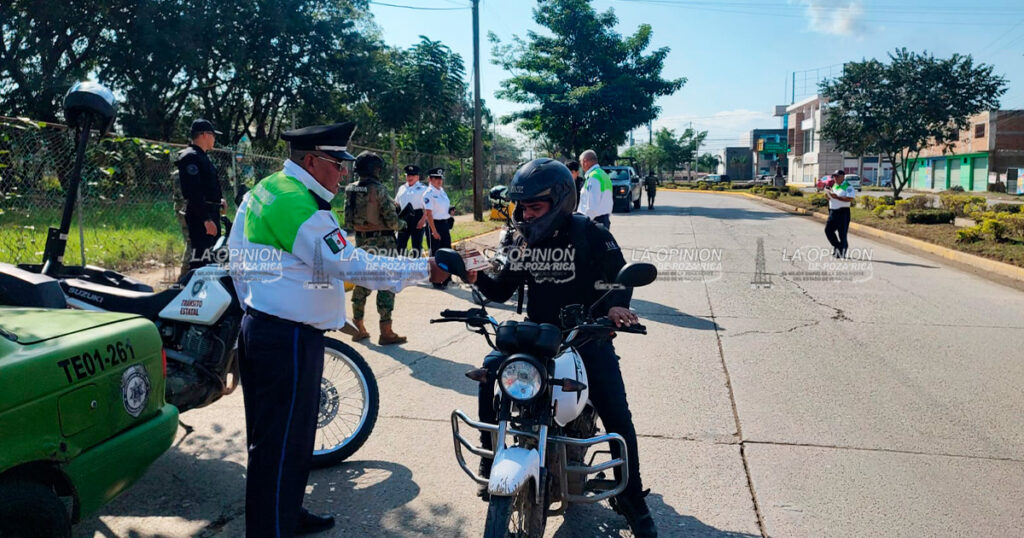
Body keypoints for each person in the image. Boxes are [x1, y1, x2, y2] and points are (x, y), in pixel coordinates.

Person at [227, 122, 448, 537]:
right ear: (311, 161)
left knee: (284, 441)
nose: (343, 173)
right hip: (287, 339)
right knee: (280, 445)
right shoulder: (298, 206)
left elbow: (237, 259)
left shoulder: (268, 188)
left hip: (266, 330)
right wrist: (424, 267)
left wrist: (254, 308)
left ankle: (287, 513)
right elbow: (352, 264)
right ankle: (272, 528)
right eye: (336, 163)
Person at [460, 158, 657, 538]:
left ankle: (632, 498)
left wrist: (617, 306)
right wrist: (476, 274)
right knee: (491, 372)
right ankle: (490, 460)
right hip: (538, 337)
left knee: (617, 415)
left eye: (535, 207)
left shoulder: (591, 233)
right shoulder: (522, 240)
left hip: (584, 336)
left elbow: (620, 278)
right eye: (522, 207)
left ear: (560, 201)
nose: (526, 214)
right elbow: (502, 289)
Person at [344, 151, 407, 345]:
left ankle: (359, 327)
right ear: (375, 170)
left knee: (362, 283)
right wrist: (405, 223)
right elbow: (392, 222)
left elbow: (347, 220)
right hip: (383, 244)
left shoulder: (350, 189)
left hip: (362, 241)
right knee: (386, 284)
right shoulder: (379, 189)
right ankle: (386, 332)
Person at [175, 118, 225, 270]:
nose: (214, 138)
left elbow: (205, 186)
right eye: (213, 135)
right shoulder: (190, 157)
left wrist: (219, 200)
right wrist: (206, 219)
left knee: (210, 257)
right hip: (201, 216)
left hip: (210, 212)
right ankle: (190, 289)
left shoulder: (201, 156)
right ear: (204, 134)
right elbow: (193, 192)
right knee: (201, 260)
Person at [423, 167, 454, 288]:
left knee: (448, 251)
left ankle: (447, 278)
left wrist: (450, 211)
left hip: (444, 224)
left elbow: (443, 207)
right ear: (430, 179)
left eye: (440, 178)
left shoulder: (442, 191)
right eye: (436, 178)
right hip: (433, 225)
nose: (439, 181)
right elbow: (429, 214)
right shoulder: (428, 193)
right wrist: (434, 231)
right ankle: (436, 280)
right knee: (436, 253)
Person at [395, 164, 428, 256]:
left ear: (417, 177)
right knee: (400, 244)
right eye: (408, 175)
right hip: (403, 217)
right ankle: (399, 266)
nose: (410, 177)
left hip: (417, 217)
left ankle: (417, 268)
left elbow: (428, 207)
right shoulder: (402, 188)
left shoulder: (423, 189)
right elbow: (396, 203)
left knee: (416, 245)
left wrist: (423, 220)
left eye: (412, 175)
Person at [576, 149, 613, 229]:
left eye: (581, 162)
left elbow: (592, 206)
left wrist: (582, 223)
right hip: (604, 220)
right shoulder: (603, 175)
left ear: (585, 162)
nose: (581, 165)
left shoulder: (593, 177)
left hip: (593, 222)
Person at [824, 169, 855, 258]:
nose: (835, 178)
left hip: (843, 212)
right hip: (833, 212)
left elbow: (850, 198)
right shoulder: (835, 186)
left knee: (842, 234)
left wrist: (837, 197)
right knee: (828, 230)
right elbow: (833, 197)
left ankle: (842, 252)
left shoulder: (848, 186)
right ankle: (837, 246)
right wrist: (829, 196)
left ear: (842, 177)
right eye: (834, 176)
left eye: (837, 176)